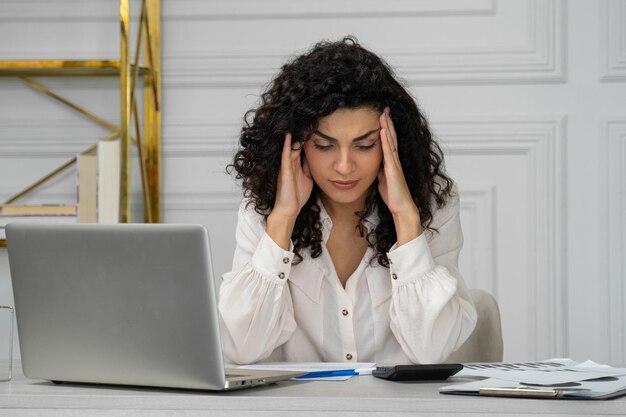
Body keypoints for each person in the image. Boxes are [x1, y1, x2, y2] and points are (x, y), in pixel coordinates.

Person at [220, 36, 477, 365]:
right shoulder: (264, 212)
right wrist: (283, 218)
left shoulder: (433, 205)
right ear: (295, 146)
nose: (344, 166)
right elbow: (241, 349)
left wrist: (406, 219)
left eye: (365, 145)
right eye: (325, 146)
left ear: (391, 143)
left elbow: (432, 349)